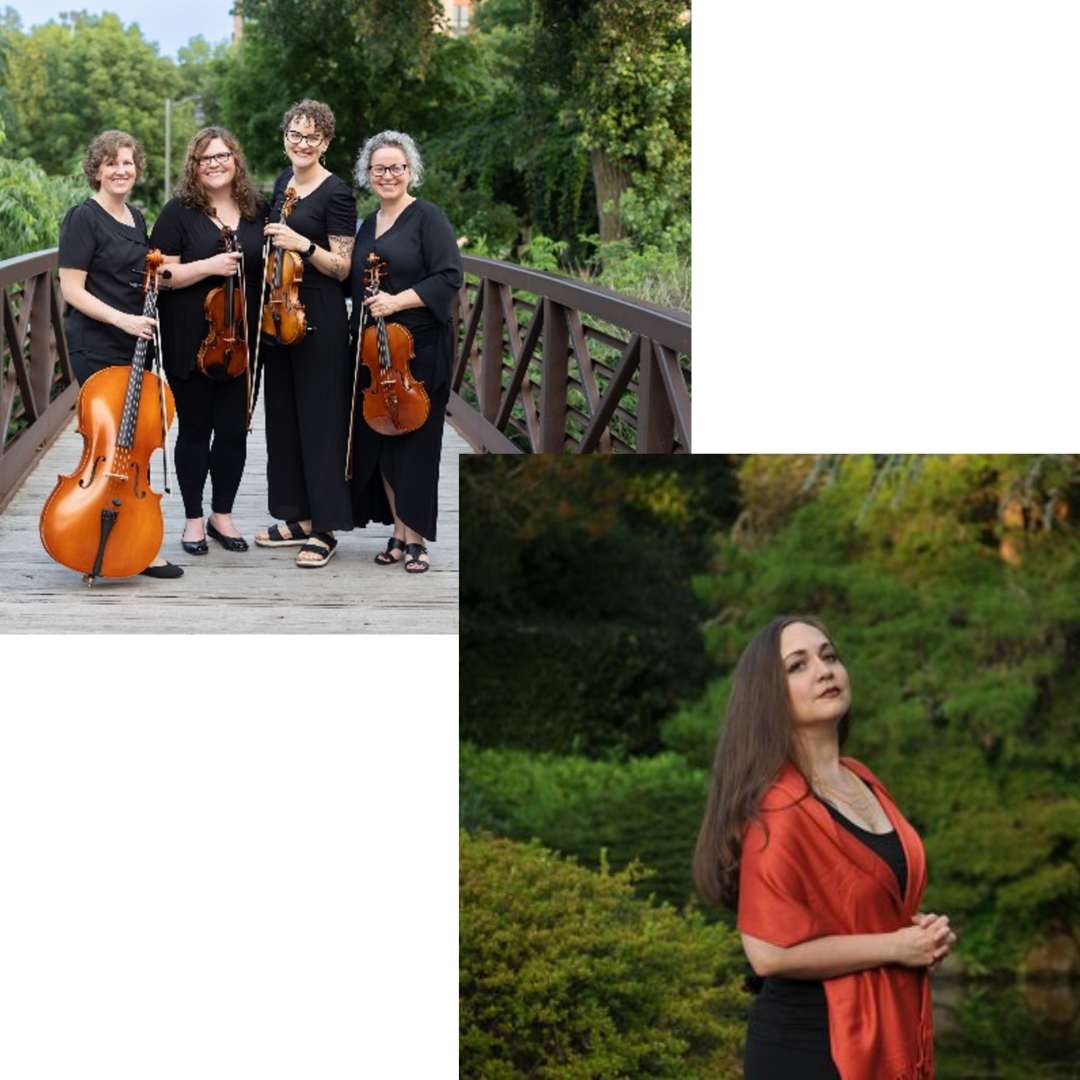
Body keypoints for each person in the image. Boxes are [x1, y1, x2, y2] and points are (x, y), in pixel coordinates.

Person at [693, 616, 955, 1080]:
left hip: (884, 1028)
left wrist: (919, 934)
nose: (824, 670)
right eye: (798, 666)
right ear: (768, 697)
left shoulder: (863, 778)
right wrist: (895, 945)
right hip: (811, 1047)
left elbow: (862, 902)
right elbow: (768, 953)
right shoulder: (777, 806)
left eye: (829, 656)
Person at [57, 129, 182, 579]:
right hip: (98, 340)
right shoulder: (83, 218)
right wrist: (122, 320)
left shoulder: (136, 217)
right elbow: (71, 289)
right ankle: (89, 534)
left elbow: (146, 278)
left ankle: (137, 544)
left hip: (137, 343)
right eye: (111, 163)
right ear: (96, 170)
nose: (120, 170)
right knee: (108, 443)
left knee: (135, 442)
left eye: (127, 163)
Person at [347, 130, 463, 574]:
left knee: (417, 444)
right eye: (379, 169)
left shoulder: (428, 218)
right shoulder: (366, 224)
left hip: (419, 351)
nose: (388, 175)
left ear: (410, 171)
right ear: (368, 176)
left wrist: (397, 301)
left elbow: (449, 277)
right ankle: (398, 531)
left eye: (396, 168)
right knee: (381, 443)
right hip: (376, 355)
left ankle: (416, 539)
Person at [150, 126, 266, 557]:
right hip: (190, 338)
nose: (215, 164)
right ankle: (194, 520)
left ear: (236, 160)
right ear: (194, 168)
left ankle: (223, 515)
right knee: (196, 430)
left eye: (223, 156)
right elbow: (160, 275)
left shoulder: (257, 210)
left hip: (244, 340)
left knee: (234, 431)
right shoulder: (178, 212)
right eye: (206, 159)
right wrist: (210, 266)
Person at [252, 99, 357, 568]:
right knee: (285, 422)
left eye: (311, 137)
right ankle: (298, 518)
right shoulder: (282, 183)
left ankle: (327, 526)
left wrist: (303, 243)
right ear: (285, 138)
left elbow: (342, 267)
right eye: (295, 135)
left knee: (320, 422)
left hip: (320, 319)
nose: (301, 143)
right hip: (280, 317)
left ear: (326, 143)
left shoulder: (338, 194)